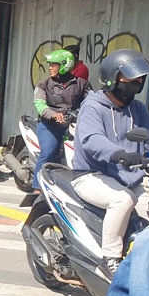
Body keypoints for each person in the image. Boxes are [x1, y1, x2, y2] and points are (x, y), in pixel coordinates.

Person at [72, 49, 149, 273]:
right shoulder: (93, 106)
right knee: (122, 200)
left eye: (140, 79)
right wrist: (119, 154)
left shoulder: (137, 108)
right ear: (113, 77)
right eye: (131, 78)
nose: (137, 82)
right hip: (91, 175)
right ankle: (110, 259)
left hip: (130, 178)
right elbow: (92, 139)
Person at [31, 49, 92, 193]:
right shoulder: (43, 84)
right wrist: (52, 114)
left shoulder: (81, 84)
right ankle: (37, 187)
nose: (50, 67)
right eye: (50, 64)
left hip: (72, 124)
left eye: (54, 64)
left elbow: (91, 103)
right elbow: (39, 104)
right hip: (49, 125)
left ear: (65, 65)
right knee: (48, 151)